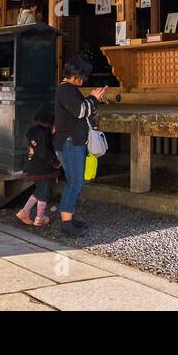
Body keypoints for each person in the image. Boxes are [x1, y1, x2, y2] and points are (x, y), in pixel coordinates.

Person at [52, 55, 107, 238]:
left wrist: (94, 99)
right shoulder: (65, 90)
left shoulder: (69, 89)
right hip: (69, 142)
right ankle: (66, 223)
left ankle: (70, 217)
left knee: (76, 181)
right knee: (75, 182)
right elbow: (80, 111)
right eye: (83, 76)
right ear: (76, 75)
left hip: (72, 142)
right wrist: (92, 98)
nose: (84, 80)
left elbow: (83, 111)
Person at [15, 105, 57, 227]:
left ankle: (24, 212)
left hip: (32, 165)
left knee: (39, 190)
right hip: (42, 168)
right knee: (43, 192)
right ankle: (39, 217)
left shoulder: (33, 131)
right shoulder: (43, 134)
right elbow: (44, 152)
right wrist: (54, 162)